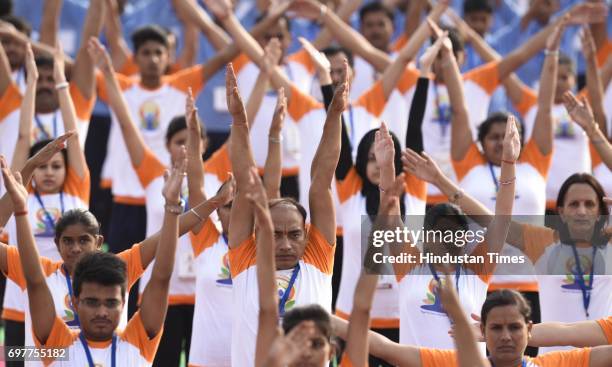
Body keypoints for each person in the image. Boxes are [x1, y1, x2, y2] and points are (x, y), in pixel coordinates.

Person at [406, 141, 612, 353]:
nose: (581, 211)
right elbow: (493, 221)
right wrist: (440, 181)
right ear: (560, 211)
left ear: (601, 212)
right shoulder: (545, 242)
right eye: (574, 204)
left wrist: (594, 131)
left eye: (589, 204)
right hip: (553, 360)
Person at [1, 142, 184, 366]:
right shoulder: (61, 345)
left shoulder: (117, 270)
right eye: (68, 241)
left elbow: (162, 277)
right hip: (42, 349)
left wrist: (176, 207)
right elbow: (35, 280)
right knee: (15, 353)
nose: (102, 311)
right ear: (76, 304)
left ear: (98, 242)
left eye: (110, 302)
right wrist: (20, 207)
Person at [226, 60, 344, 366]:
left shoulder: (317, 258)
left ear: (306, 235)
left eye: (294, 234)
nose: (285, 244)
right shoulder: (246, 259)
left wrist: (334, 114)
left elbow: (321, 181)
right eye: (275, 235)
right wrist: (239, 122)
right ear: (257, 236)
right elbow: (243, 178)